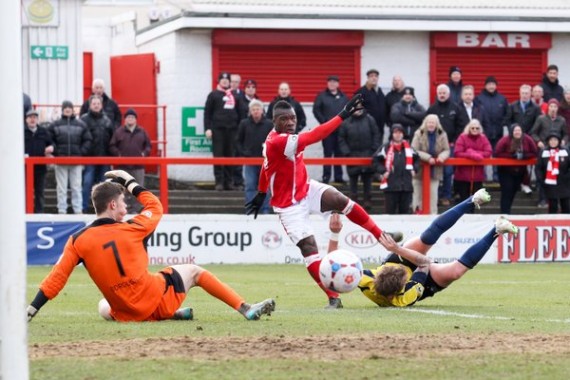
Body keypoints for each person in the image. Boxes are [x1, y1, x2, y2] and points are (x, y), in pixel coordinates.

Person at [27, 170, 276, 322]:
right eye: (123, 202)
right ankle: (245, 308)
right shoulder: (134, 227)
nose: (126, 207)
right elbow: (155, 206)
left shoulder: (77, 240)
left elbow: (56, 278)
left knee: (103, 306)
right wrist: (131, 182)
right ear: (112, 205)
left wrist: (32, 309)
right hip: (157, 300)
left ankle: (174, 315)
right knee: (194, 271)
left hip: (127, 314)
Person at [245, 94, 402, 309]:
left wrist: (262, 192)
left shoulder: (276, 138)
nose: (291, 122)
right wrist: (343, 114)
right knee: (309, 249)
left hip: (306, 189)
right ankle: (333, 297)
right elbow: (316, 135)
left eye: (292, 118)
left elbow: (265, 168)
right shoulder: (279, 141)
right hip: (289, 206)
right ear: (275, 122)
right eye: (284, 119)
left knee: (339, 199)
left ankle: (382, 237)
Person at [326, 189, 518, 307]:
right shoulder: (405, 297)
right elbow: (424, 263)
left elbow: (333, 263)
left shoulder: (368, 279)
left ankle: (471, 201)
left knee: (428, 237)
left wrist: (334, 233)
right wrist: (399, 250)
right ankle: (497, 229)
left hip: (396, 264)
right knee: (456, 271)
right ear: (402, 285)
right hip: (424, 275)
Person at [427, 84, 469, 206]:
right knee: (434, 172)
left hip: (450, 145)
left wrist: (455, 141)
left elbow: (462, 125)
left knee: (448, 172)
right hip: (434, 146)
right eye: (440, 92)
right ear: (437, 94)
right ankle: (436, 196)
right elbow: (426, 126)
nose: (442, 94)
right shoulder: (432, 109)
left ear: (448, 94)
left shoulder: (456, 108)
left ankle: (446, 195)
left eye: (444, 92)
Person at [204, 72, 247, 191]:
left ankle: (229, 182)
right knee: (218, 156)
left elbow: (241, 114)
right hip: (218, 130)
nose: (225, 81)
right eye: (222, 80)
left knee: (230, 156)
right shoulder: (213, 95)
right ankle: (219, 182)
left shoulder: (236, 96)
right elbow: (207, 113)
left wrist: (241, 130)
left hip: (233, 131)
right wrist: (207, 128)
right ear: (219, 81)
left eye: (226, 80)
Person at [49, 101, 92, 215]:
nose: (67, 109)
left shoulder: (81, 124)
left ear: (73, 110)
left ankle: (77, 210)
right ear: (62, 109)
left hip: (76, 161)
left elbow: (88, 139)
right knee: (61, 188)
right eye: (65, 107)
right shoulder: (55, 124)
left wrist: (81, 152)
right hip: (60, 161)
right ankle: (62, 210)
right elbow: (49, 139)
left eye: (69, 108)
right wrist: (56, 152)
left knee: (76, 187)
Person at [109, 108, 152, 213]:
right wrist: (118, 154)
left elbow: (148, 146)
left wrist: (144, 154)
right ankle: (123, 210)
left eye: (132, 117)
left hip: (138, 167)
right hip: (123, 167)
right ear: (125, 119)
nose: (130, 119)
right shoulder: (119, 131)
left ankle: (136, 210)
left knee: (137, 189)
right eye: (128, 117)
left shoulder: (142, 131)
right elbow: (112, 146)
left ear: (136, 119)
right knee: (122, 190)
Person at [337, 108, 381, 210]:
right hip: (352, 155)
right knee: (353, 180)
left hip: (367, 154)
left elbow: (376, 135)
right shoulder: (346, 122)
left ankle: (367, 201)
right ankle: (353, 202)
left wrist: (373, 151)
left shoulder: (370, 120)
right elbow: (341, 138)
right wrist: (347, 153)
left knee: (367, 180)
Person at [236, 99, 273, 215]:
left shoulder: (269, 124)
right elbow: (238, 141)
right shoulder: (244, 124)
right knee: (250, 186)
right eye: (253, 109)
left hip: (265, 162)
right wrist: (243, 152)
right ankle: (251, 210)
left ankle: (265, 210)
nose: (256, 111)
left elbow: (275, 141)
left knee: (265, 187)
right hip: (250, 161)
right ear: (250, 111)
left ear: (262, 110)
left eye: (258, 109)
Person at [80, 95, 116, 213]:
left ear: (101, 105)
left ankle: (104, 210)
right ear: (90, 105)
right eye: (94, 103)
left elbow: (112, 139)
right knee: (87, 183)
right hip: (89, 158)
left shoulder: (107, 120)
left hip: (105, 157)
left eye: (98, 103)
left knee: (105, 186)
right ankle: (84, 208)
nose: (96, 105)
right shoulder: (84, 119)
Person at [373, 124, 419, 214]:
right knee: (390, 213)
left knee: (405, 213)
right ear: (392, 134)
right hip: (391, 186)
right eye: (395, 132)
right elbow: (375, 160)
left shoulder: (409, 148)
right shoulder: (385, 147)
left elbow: (417, 159)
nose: (398, 134)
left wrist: (415, 169)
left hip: (406, 186)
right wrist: (383, 171)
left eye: (400, 132)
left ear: (403, 134)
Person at [411, 114, 450, 214]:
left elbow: (446, 150)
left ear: (437, 124)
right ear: (425, 123)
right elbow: (414, 150)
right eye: (429, 122)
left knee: (433, 196)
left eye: (433, 122)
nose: (431, 124)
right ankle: (417, 216)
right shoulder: (419, 133)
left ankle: (433, 216)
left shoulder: (442, 134)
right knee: (418, 195)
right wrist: (427, 158)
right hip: (419, 169)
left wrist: (441, 157)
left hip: (435, 170)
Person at [313, 75, 349, 184]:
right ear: (327, 84)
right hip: (327, 131)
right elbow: (316, 110)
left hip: (340, 131)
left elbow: (348, 111)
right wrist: (324, 122)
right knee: (327, 154)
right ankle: (326, 177)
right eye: (330, 82)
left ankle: (339, 177)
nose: (332, 84)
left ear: (338, 84)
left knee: (339, 154)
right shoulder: (321, 96)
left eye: (334, 82)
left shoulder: (344, 97)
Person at [494, 124, 537, 214]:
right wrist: (511, 156)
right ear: (511, 132)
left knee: (514, 191)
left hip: (520, 171)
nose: (517, 132)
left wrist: (524, 156)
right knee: (507, 191)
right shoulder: (505, 140)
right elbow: (497, 153)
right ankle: (504, 212)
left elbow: (534, 152)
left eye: (519, 130)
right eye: (515, 130)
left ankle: (507, 210)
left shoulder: (527, 139)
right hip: (506, 171)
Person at [453, 119, 492, 204]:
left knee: (476, 201)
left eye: (477, 128)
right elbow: (457, 152)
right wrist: (471, 154)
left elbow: (488, 152)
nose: (475, 130)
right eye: (473, 128)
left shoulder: (483, 138)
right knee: (463, 200)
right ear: (469, 128)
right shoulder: (462, 137)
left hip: (477, 175)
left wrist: (472, 152)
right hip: (463, 175)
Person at [24, 109, 54, 213]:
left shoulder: (43, 131)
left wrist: (51, 148)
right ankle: (26, 212)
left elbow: (51, 144)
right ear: (26, 119)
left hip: (41, 168)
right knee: (25, 192)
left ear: (37, 119)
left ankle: (39, 213)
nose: (32, 120)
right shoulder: (22, 132)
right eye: (30, 117)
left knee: (40, 192)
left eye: (34, 117)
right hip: (25, 168)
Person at [535, 132, 570, 214]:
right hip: (549, 183)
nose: (553, 142)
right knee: (553, 206)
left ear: (559, 141)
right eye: (551, 140)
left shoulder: (565, 151)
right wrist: (541, 179)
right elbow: (539, 168)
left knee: (566, 205)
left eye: (555, 140)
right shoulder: (543, 152)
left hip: (564, 183)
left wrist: (568, 177)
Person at [355, 69, 387, 144]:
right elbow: (356, 109)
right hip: (367, 128)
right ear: (368, 78)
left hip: (380, 127)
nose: (374, 78)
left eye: (376, 76)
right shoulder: (362, 92)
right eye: (371, 76)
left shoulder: (379, 91)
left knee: (378, 149)